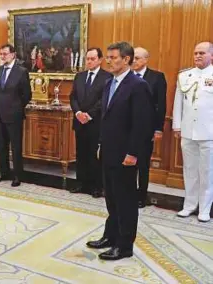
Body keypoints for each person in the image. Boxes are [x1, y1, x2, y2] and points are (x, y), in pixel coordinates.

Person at [86, 42, 154, 260]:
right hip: (108, 150)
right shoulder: (109, 83)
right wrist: (100, 145)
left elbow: (141, 124)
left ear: (126, 60)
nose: (109, 61)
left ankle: (124, 245)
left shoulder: (137, 85)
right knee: (111, 198)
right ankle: (110, 235)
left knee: (125, 200)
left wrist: (133, 153)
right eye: (108, 57)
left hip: (126, 154)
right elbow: (106, 120)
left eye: (114, 57)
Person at [173, 41, 213, 222]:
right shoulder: (184, 76)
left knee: (207, 172)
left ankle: (204, 209)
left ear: (211, 55)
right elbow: (178, 103)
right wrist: (177, 126)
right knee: (189, 170)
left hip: (209, 133)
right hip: (188, 131)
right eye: (196, 53)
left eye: (202, 53)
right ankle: (189, 205)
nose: (197, 56)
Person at [69, 47, 111, 198]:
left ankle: (96, 186)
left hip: (96, 123)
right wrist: (78, 113)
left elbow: (104, 100)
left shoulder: (107, 77)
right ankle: (81, 183)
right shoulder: (79, 76)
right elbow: (72, 97)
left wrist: (89, 115)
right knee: (81, 154)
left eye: (93, 59)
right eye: (87, 59)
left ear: (100, 60)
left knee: (95, 156)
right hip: (80, 121)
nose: (89, 61)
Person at [0, 44, 32, 187]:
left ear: (13, 54)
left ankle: (17, 175)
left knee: (15, 146)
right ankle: (3, 172)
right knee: (1, 145)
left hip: (14, 115)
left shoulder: (21, 71)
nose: (2, 56)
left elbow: (27, 95)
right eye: (1, 54)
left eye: (5, 54)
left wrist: (17, 108)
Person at [132, 47, 167, 208]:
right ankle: (128, 192)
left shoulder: (157, 77)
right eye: (133, 57)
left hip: (146, 129)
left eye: (138, 58)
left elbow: (161, 105)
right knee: (127, 163)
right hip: (126, 129)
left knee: (143, 164)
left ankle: (141, 195)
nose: (134, 61)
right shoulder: (126, 76)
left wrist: (158, 128)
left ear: (146, 60)